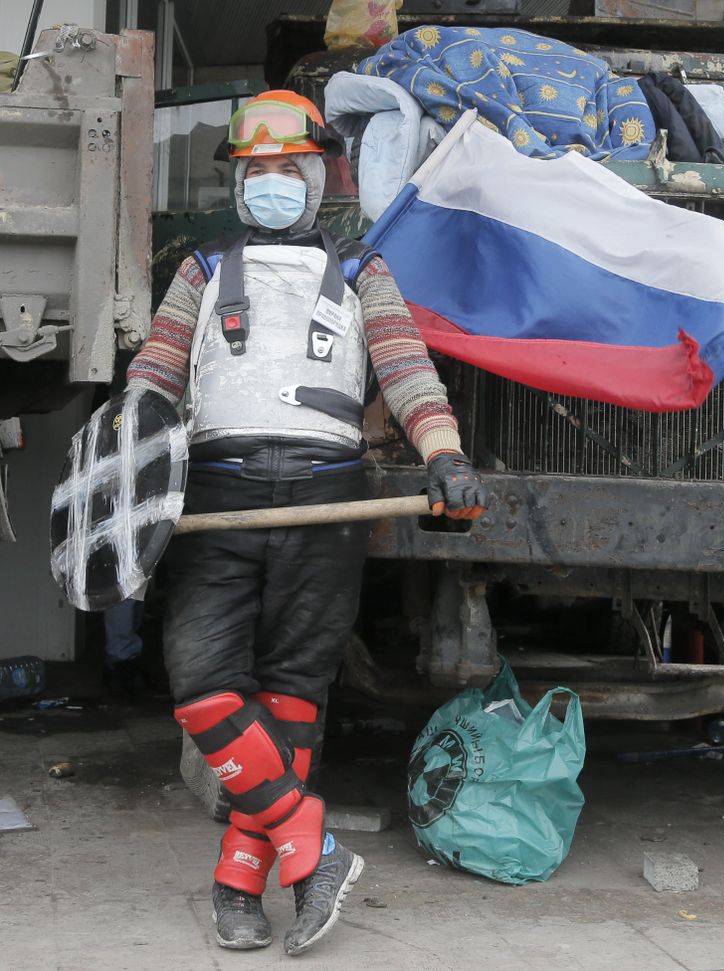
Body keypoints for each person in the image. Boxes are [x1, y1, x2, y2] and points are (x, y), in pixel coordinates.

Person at [126, 90, 487, 955]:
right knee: (201, 683)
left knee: (293, 699)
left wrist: (444, 452)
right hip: (215, 500)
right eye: (257, 170)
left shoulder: (363, 270)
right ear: (236, 182)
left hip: (329, 501)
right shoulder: (200, 270)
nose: (272, 182)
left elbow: (406, 368)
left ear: (321, 176)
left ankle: (237, 886)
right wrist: (125, 454)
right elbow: (154, 377)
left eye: (289, 167)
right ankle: (312, 843)